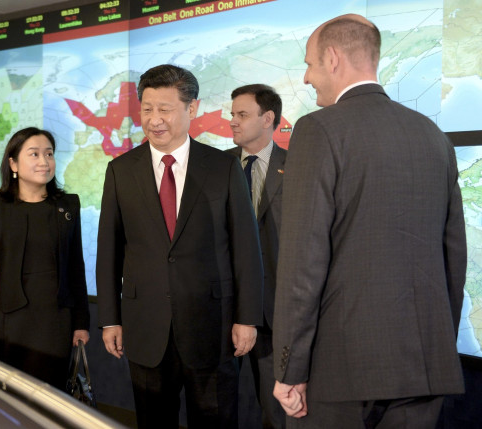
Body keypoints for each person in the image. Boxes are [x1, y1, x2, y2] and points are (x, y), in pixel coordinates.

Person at [272, 14, 466, 428]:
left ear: (333, 57)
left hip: (339, 372)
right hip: (423, 368)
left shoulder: (318, 130)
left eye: (309, 64)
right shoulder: (433, 135)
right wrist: (436, 348)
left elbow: (302, 265)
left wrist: (290, 369)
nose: (306, 78)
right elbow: (454, 260)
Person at [97, 64, 264, 428]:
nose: (154, 119)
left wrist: (247, 317)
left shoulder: (223, 167)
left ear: (192, 108)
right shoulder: (120, 170)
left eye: (165, 109)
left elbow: (246, 250)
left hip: (213, 326)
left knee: (216, 420)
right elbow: (109, 251)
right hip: (145, 328)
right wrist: (109, 319)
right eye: (147, 109)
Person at [0, 127, 90, 390]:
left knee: (53, 400)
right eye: (34, 154)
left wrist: (82, 323)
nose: (43, 161)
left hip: (56, 322)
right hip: (11, 323)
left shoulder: (67, 206)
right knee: (14, 400)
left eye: (49, 154)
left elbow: (76, 267)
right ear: (13, 163)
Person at [226, 83, 286, 429]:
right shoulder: (216, 167)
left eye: (242, 114)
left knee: (275, 408)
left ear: (268, 119)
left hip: (274, 313)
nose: (232, 121)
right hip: (223, 307)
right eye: (232, 114)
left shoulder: (296, 168)